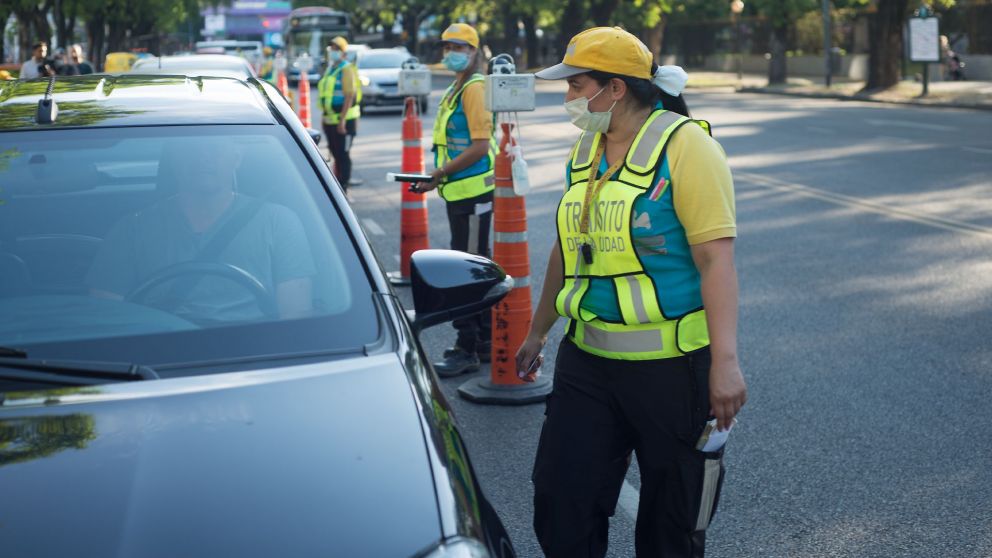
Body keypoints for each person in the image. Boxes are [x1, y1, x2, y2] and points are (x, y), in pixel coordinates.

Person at [515, 27, 747, 557]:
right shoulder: (586, 150)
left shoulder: (687, 146)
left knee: (672, 523)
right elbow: (567, 249)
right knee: (560, 503)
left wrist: (726, 362)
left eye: (576, 85)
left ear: (615, 89)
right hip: (587, 364)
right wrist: (537, 330)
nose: (568, 98)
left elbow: (716, 259)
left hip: (672, 370)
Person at [86, 138, 316, 323]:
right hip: (156, 359)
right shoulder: (132, 229)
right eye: (191, 148)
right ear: (173, 159)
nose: (203, 157)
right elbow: (108, 319)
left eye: (214, 147)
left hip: (254, 354)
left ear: (237, 158)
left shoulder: (279, 222)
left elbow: (294, 318)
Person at [416, 23, 497, 376]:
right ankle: (483, 339)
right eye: (447, 46)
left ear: (474, 50)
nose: (451, 52)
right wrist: (438, 176)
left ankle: (467, 347)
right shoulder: (457, 86)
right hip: (459, 190)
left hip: (474, 191)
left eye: (459, 47)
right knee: (472, 265)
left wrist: (440, 173)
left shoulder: (475, 88)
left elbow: (480, 145)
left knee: (467, 270)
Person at [317, 36, 362, 190]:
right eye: (331, 49)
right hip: (330, 120)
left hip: (345, 122)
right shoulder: (331, 69)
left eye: (336, 49)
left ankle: (344, 186)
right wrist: (324, 117)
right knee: (335, 152)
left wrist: (342, 120)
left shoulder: (346, 69)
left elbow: (349, 95)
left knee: (343, 154)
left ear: (343, 53)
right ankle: (340, 184)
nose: (333, 52)